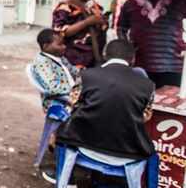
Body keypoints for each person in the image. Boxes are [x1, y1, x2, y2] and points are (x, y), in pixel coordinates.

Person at [55, 39, 155, 168]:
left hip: (84, 144)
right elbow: (145, 117)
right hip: (127, 152)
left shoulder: (86, 75)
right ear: (133, 59)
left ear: (104, 55)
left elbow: (73, 102)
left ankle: (68, 177)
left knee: (64, 128)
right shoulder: (148, 85)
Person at [118, 0, 186, 89]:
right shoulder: (130, 4)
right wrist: (127, 49)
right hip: (140, 67)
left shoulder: (180, 1)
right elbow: (121, 28)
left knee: (167, 105)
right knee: (142, 103)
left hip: (173, 67)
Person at [52, 0, 107, 68]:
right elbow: (60, 32)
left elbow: (101, 32)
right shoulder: (65, 7)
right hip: (72, 61)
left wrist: (103, 23)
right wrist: (87, 22)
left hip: (94, 61)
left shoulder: (96, 8)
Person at [29, 28, 80, 111]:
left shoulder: (60, 57)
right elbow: (53, 88)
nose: (64, 47)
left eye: (63, 44)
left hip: (71, 95)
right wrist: (76, 92)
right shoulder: (42, 63)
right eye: (60, 44)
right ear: (46, 46)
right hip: (58, 104)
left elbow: (75, 71)